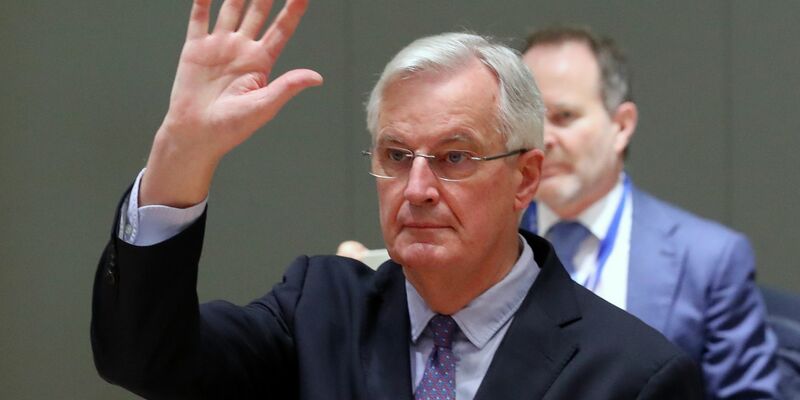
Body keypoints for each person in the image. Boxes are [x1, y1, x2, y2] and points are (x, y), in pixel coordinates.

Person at [91, 1, 704, 399]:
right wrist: (181, 155)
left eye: (454, 157)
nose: (416, 189)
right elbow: (145, 361)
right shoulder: (320, 310)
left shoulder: (634, 375)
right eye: (395, 155)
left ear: (525, 178)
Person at [519, 27, 781, 399]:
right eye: (531, 118)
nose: (543, 137)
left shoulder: (709, 261)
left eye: (564, 116)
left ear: (621, 125)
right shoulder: (488, 243)